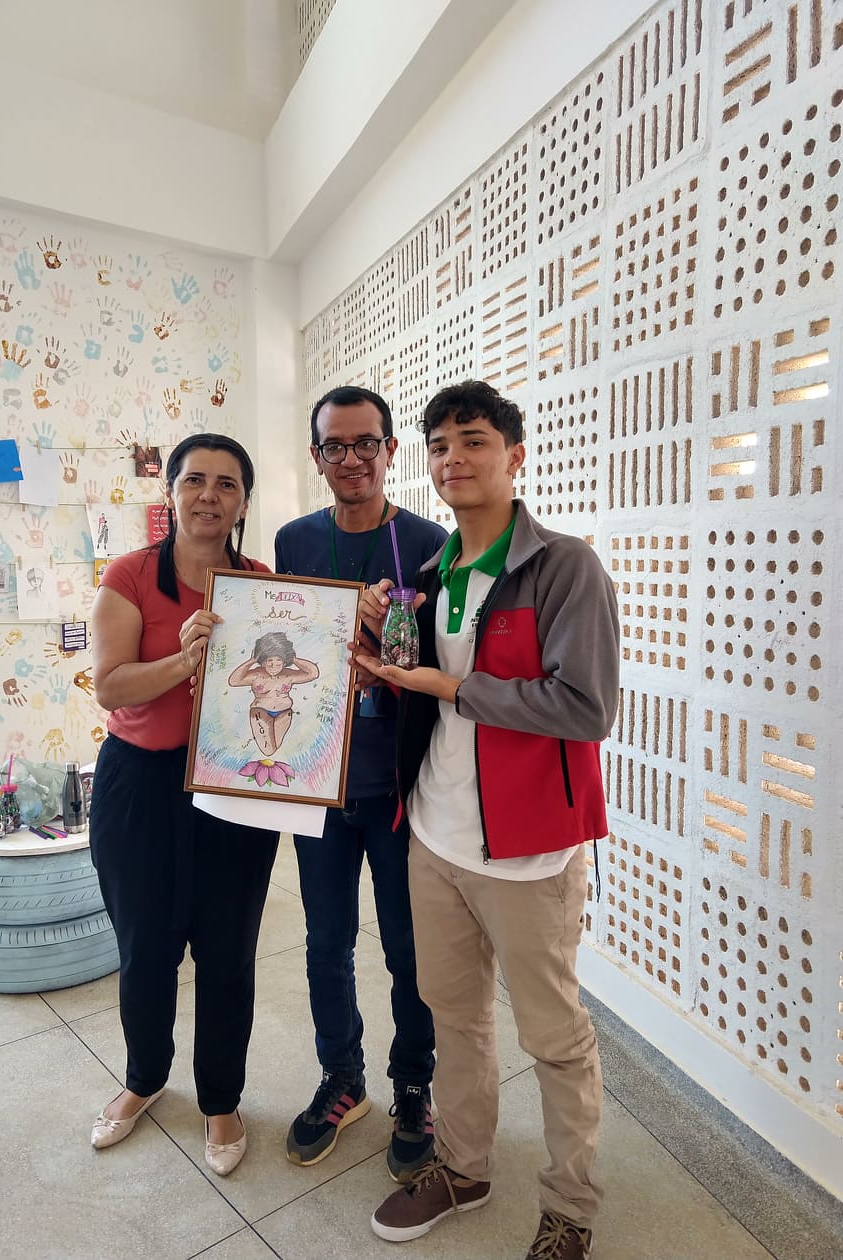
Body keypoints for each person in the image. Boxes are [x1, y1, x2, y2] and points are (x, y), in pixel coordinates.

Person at [355, 381, 620, 1260]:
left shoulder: (564, 567)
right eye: (438, 445)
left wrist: (453, 685)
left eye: (472, 440)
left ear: (515, 455)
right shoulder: (433, 577)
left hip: (530, 854)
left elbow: (584, 708)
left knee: (554, 1037)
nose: (453, 459)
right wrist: (379, 656)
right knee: (453, 1015)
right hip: (435, 837)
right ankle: (464, 1168)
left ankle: (570, 1206)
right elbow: (421, 700)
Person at [88, 433, 279, 1177]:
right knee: (146, 948)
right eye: (195, 480)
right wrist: (183, 659)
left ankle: (222, 1099)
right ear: (169, 492)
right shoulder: (131, 575)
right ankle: (143, 1078)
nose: (209, 496)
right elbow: (110, 686)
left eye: (227, 484)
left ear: (243, 501)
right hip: (141, 785)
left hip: (235, 790)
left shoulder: (262, 585)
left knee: (229, 951)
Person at [274, 386, 447, 1181]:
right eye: (335, 446)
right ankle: (342, 1078)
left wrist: (390, 648)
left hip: (398, 787)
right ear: (317, 457)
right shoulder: (294, 541)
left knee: (410, 951)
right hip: (318, 783)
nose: (351, 459)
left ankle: (413, 1085)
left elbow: (444, 666)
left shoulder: (430, 543)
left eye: (365, 443)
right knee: (326, 943)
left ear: (390, 450)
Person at [228, 630, 319, 758]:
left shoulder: (288, 674)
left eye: (278, 661)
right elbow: (233, 681)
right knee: (268, 751)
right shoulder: (256, 675)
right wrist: (251, 661)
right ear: (263, 661)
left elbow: (313, 673)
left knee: (276, 747)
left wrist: (294, 659)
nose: (274, 665)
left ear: (284, 662)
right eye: (269, 660)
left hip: (284, 713)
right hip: (260, 712)